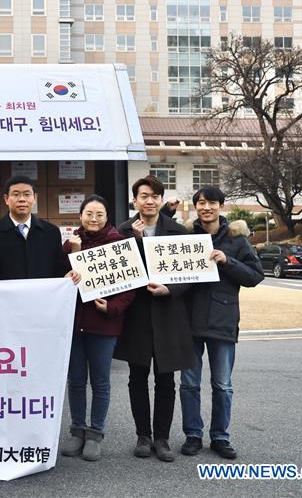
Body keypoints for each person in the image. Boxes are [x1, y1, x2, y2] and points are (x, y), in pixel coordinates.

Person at [113, 175, 195, 462]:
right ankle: (143, 436)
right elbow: (118, 273)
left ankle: (162, 438)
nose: (149, 201)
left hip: (167, 313)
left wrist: (169, 289)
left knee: (166, 379)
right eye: (144, 196)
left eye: (155, 196)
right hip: (136, 314)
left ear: (161, 200)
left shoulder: (178, 230)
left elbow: (191, 276)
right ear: (135, 200)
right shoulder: (122, 231)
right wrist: (133, 241)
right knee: (137, 377)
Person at [179, 186, 264, 460]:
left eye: (212, 203)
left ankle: (220, 437)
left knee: (222, 385)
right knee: (189, 383)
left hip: (223, 321)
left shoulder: (237, 239)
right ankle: (193, 434)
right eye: (201, 203)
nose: (206, 207)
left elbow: (255, 276)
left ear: (221, 206)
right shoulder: (186, 236)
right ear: (195, 208)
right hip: (189, 320)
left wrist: (227, 261)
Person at [61, 195, 135, 462]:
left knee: (101, 382)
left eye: (99, 214)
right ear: (80, 216)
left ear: (107, 217)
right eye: (89, 213)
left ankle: (95, 434)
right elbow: (60, 282)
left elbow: (130, 289)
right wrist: (74, 255)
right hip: (74, 325)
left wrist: (111, 308)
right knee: (76, 381)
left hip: (104, 325)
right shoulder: (70, 244)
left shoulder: (118, 244)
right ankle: (77, 431)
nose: (93, 219)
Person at [0, 174, 70, 280]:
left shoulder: (51, 232)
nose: (22, 199)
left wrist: (67, 275)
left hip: (42, 294)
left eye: (27, 194)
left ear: (35, 198)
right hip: (6, 296)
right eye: (16, 194)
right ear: (6, 199)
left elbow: (58, 269)